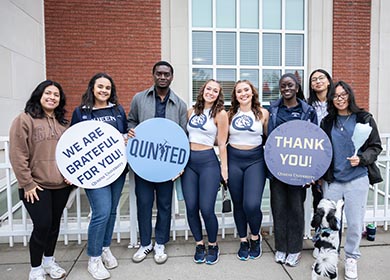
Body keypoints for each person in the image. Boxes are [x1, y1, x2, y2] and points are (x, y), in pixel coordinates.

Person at [9, 80, 71, 280]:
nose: (52, 97)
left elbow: (71, 154)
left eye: (56, 95)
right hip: (35, 186)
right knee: (42, 225)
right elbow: (18, 154)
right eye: (48, 93)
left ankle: (49, 262)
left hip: (60, 185)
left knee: (54, 226)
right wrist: (27, 183)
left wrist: (72, 176)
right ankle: (35, 268)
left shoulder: (63, 123)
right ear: (39, 95)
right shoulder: (25, 119)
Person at [320, 80, 382, 280]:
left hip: (357, 179)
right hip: (334, 181)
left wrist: (362, 159)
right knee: (329, 224)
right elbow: (321, 149)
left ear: (350, 95)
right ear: (331, 99)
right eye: (336, 96)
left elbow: (375, 146)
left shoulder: (364, 118)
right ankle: (330, 258)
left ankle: (351, 258)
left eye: (343, 94)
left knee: (355, 224)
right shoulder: (328, 121)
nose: (340, 99)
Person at [127, 61, 187, 264]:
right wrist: (131, 130)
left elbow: (182, 135)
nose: (163, 77)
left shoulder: (179, 104)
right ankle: (145, 244)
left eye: (167, 74)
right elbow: (131, 120)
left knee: (164, 204)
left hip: (166, 164)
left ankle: (160, 242)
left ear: (172, 77)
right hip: (143, 162)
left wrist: (179, 165)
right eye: (159, 73)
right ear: (153, 75)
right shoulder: (139, 98)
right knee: (143, 203)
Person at [70, 73, 128, 280]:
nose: (104, 91)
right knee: (101, 212)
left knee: (112, 211)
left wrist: (128, 137)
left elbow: (124, 135)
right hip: (94, 172)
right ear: (92, 88)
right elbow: (73, 142)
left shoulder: (117, 110)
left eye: (108, 88)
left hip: (116, 169)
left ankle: (104, 248)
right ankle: (93, 258)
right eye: (100, 87)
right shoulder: (81, 112)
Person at [268, 73, 317, 267]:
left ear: (297, 88)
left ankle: (295, 249)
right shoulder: (273, 109)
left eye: (290, 85)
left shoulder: (307, 111)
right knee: (278, 208)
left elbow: (314, 141)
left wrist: (312, 171)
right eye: (283, 86)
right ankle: (281, 247)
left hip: (299, 168)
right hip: (277, 168)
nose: (286, 88)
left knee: (296, 209)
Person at [181, 79, 228, 265]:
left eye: (215, 90)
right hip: (189, 163)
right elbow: (183, 137)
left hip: (208, 162)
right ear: (202, 90)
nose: (211, 92)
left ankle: (213, 244)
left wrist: (224, 169)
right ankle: (199, 244)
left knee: (207, 208)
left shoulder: (220, 114)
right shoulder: (191, 111)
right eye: (208, 88)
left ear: (218, 95)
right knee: (191, 207)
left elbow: (222, 143)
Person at [227, 80, 269, 261]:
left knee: (251, 204)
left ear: (252, 93)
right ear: (235, 96)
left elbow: (269, 138)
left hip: (255, 161)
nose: (243, 93)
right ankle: (243, 240)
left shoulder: (263, 113)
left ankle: (255, 237)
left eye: (246, 90)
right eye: (239, 91)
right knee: (238, 204)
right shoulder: (228, 114)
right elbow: (219, 139)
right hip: (234, 160)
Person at [307, 69, 335, 214]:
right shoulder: (308, 106)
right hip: (315, 153)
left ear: (328, 81)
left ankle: (333, 229)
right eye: (314, 80)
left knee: (333, 195)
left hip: (334, 152)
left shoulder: (336, 102)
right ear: (311, 85)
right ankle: (319, 230)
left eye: (321, 78)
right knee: (317, 194)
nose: (318, 81)